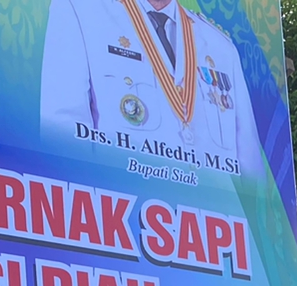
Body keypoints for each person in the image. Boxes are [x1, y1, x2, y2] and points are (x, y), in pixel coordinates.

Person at [40, 0, 264, 179]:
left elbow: (251, 166)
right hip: (125, 217)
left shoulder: (221, 47)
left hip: (211, 227)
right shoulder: (80, 12)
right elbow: (64, 136)